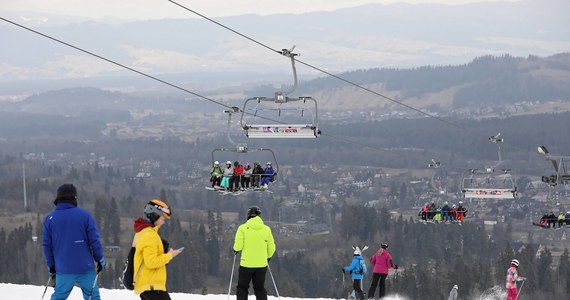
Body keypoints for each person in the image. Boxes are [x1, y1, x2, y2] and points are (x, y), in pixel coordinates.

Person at [42, 183, 106, 300]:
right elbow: (94, 241)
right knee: (93, 296)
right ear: (74, 197)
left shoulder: (50, 219)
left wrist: (51, 266)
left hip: (63, 268)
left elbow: (47, 246)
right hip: (85, 267)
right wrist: (100, 259)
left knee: (59, 296)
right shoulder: (85, 216)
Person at [133, 199, 184, 300]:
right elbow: (151, 262)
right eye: (162, 218)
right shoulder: (149, 235)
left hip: (149, 286)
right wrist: (170, 255)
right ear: (154, 215)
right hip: (152, 287)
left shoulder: (144, 233)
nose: (164, 221)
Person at [233, 206, 276, 300]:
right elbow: (272, 247)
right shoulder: (266, 229)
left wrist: (235, 249)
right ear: (259, 216)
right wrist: (268, 257)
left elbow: (238, 246)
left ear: (248, 216)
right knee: (259, 288)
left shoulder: (242, 228)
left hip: (246, 264)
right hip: (261, 264)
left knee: (242, 287)